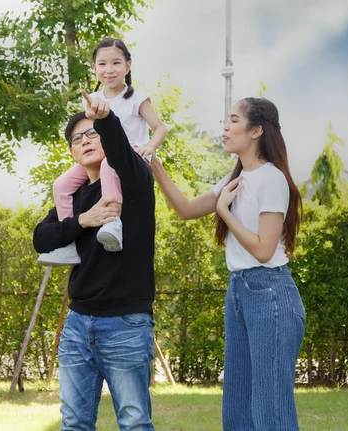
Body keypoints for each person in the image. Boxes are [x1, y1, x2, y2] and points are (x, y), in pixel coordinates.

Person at [151, 97, 305, 430]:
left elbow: (264, 250)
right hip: (239, 293)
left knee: (270, 412)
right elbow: (187, 209)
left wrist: (223, 211)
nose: (224, 128)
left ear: (256, 131)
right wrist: (155, 164)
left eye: (233, 120)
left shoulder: (271, 179)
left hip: (270, 295)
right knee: (236, 412)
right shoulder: (235, 177)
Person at [33, 95, 156, 431]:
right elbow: (41, 239)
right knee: (73, 422)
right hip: (77, 324)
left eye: (92, 134)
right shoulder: (72, 197)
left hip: (126, 325)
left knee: (133, 422)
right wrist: (81, 221)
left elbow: (119, 149)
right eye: (77, 138)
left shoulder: (134, 182)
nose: (85, 141)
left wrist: (105, 118)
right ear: (71, 152)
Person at [38, 37, 167, 266]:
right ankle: (68, 244)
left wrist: (149, 148)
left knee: (110, 163)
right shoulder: (94, 99)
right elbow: (88, 131)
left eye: (116, 63)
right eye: (102, 64)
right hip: (104, 158)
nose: (109, 70)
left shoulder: (136, 97)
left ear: (128, 65)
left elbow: (160, 128)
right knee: (61, 184)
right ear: (94, 68)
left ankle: (112, 221)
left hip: (130, 159)